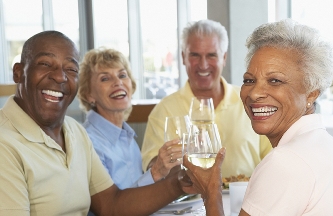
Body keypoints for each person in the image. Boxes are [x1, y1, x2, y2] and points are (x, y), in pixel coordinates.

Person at [0, 30, 191, 216]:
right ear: (18, 73)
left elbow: (111, 205)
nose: (60, 76)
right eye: (45, 64)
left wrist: (179, 183)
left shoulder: (75, 131)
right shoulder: (4, 143)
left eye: (70, 69)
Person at [183, 19, 333, 215]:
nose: (254, 93)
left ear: (312, 93)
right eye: (249, 80)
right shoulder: (322, 144)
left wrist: (211, 193)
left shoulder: (284, 162)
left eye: (274, 81)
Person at [141, 19, 272, 178]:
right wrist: (163, 163)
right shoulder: (164, 109)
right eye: (195, 55)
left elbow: (273, 157)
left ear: (223, 58)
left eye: (211, 55)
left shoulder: (250, 101)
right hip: (190, 201)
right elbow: (151, 167)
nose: (203, 65)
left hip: (248, 199)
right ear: (183, 57)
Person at [77, 48, 179, 189]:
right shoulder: (88, 142)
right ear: (89, 95)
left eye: (122, 75)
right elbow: (110, 207)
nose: (118, 82)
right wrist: (155, 172)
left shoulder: (128, 137)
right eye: (105, 78)